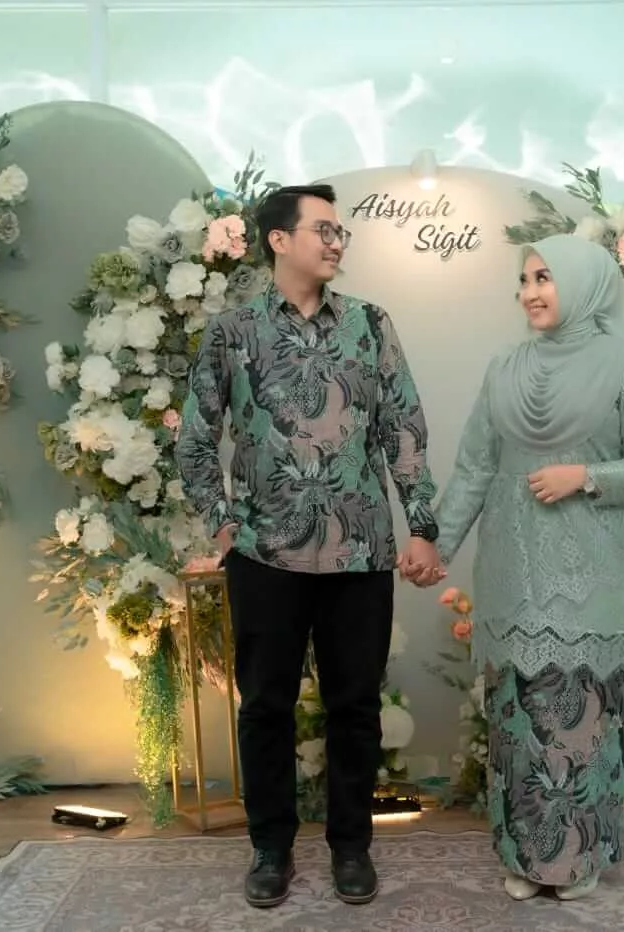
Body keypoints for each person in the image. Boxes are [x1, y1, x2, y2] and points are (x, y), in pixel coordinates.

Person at [176, 183, 444, 909]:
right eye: (322, 229)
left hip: (360, 553)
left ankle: (351, 847)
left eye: (340, 232)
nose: (336, 241)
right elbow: (195, 439)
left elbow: (403, 429)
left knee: (355, 707)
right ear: (279, 240)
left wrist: (421, 526)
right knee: (265, 707)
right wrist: (223, 525)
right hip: (264, 554)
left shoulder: (370, 324)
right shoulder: (233, 332)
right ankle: (270, 849)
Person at [433, 233, 624, 901]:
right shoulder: (504, 368)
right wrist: (436, 546)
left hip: (592, 572)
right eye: (525, 279)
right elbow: (475, 467)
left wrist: (585, 476)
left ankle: (575, 861)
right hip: (514, 571)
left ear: (584, 285)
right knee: (519, 724)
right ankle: (523, 858)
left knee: (581, 724)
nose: (530, 292)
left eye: (545, 278)